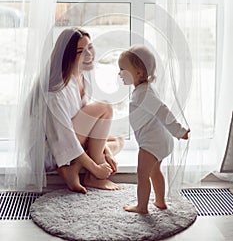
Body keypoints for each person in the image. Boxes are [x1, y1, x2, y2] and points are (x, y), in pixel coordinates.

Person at [45, 28, 124, 193]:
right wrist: (96, 168)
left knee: (118, 141)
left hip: (75, 139)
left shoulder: (81, 76)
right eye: (81, 51)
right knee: (105, 108)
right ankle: (94, 177)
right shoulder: (56, 90)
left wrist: (106, 152)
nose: (89, 54)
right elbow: (64, 137)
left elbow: (89, 124)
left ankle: (74, 169)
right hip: (57, 148)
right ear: (67, 56)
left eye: (90, 47)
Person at [118, 45, 190, 214]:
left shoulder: (144, 94)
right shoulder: (144, 90)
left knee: (142, 174)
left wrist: (179, 131)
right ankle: (160, 201)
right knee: (155, 171)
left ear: (139, 72)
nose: (119, 73)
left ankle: (141, 207)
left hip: (152, 143)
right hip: (159, 140)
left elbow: (163, 111)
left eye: (122, 69)